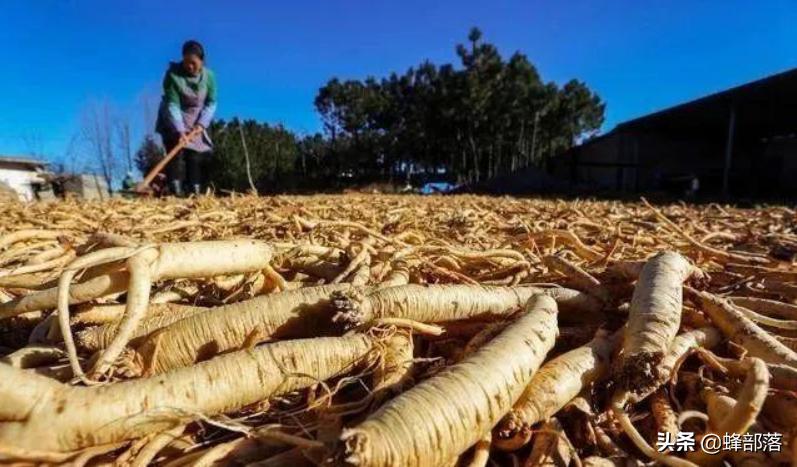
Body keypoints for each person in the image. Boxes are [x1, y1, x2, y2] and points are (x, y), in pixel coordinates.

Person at [155, 40, 217, 196]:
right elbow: (173, 104)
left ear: (202, 62)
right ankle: (174, 190)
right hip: (173, 116)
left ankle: (194, 191)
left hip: (197, 118)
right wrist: (180, 130)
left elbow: (211, 103)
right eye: (186, 62)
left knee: (194, 156)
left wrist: (202, 124)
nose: (189, 66)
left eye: (193, 63)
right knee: (174, 153)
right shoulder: (173, 75)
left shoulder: (210, 77)